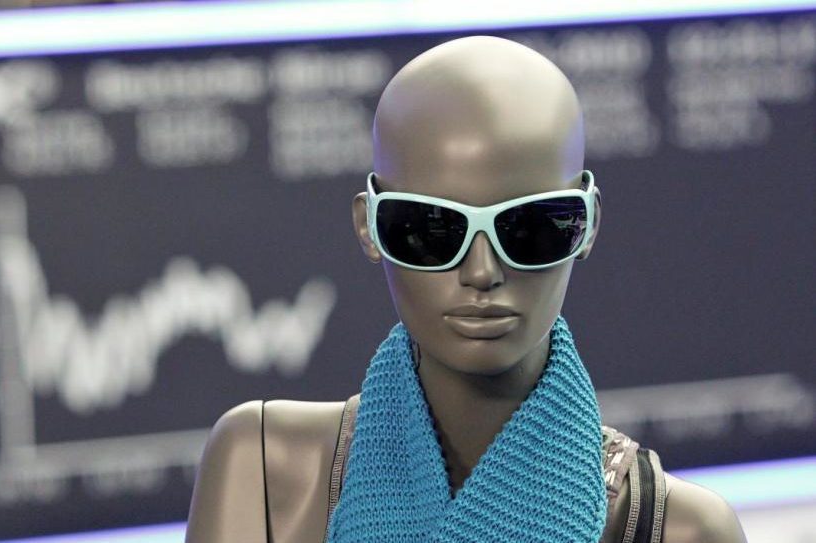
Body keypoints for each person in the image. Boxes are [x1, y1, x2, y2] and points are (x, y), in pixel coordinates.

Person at [184, 36, 746, 543]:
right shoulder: (260, 465)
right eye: (430, 230)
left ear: (588, 225)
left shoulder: (683, 530)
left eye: (531, 228)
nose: (482, 271)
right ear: (369, 228)